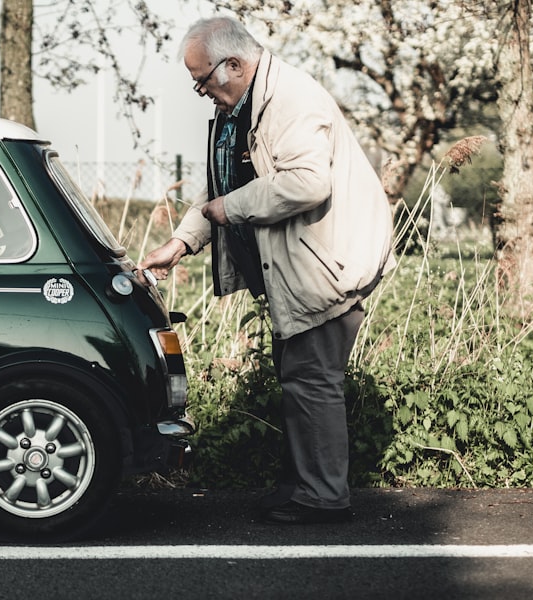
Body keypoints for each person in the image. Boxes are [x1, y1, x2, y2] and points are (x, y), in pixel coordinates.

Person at [138, 16, 396, 524]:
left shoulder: (293, 99)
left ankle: (323, 497)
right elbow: (221, 186)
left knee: (311, 379)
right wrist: (182, 241)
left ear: (233, 64)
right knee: (298, 376)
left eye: (203, 80)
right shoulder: (247, 103)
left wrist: (228, 209)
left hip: (327, 265)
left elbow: (306, 183)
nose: (201, 91)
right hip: (303, 264)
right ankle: (305, 484)